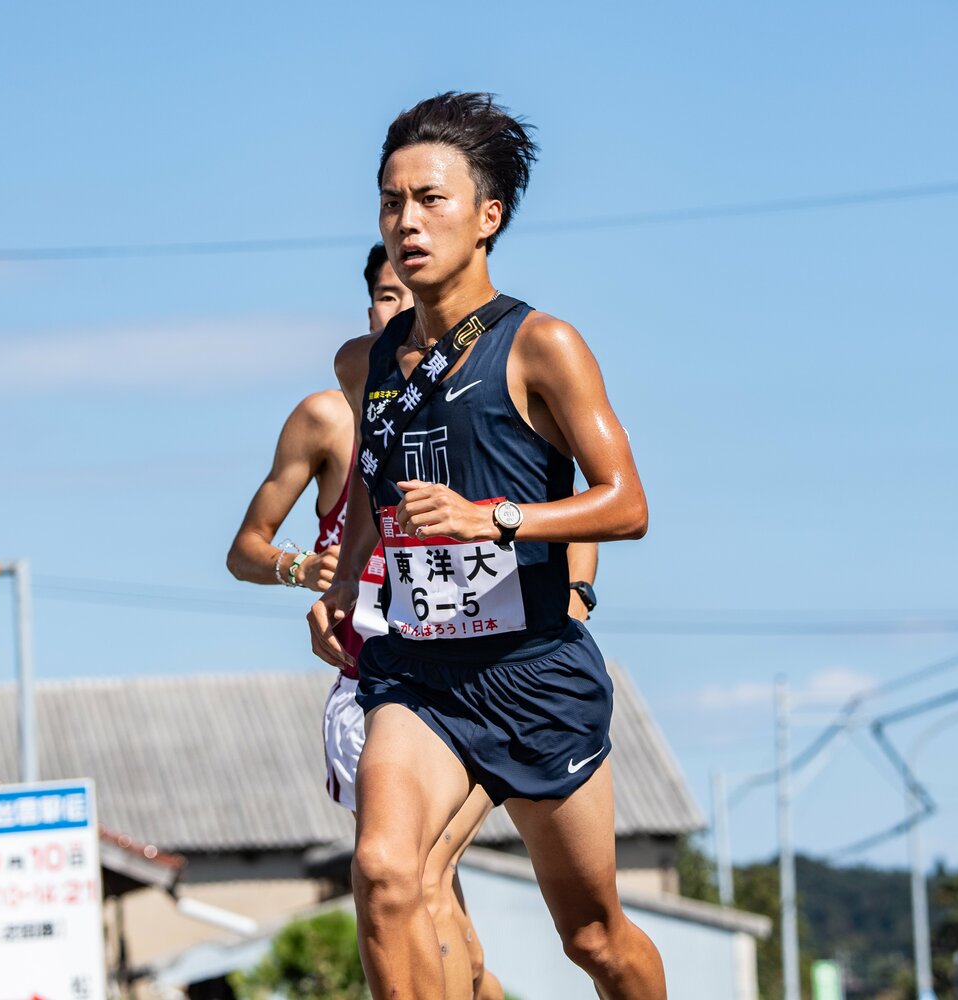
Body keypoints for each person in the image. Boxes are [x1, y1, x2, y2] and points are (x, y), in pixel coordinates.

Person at [307, 93, 664, 999]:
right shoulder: (367, 364)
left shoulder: (541, 344)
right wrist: (345, 586)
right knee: (387, 877)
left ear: (488, 215)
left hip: (535, 671)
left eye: (431, 199)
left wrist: (496, 518)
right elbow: (368, 499)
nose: (407, 222)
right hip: (418, 672)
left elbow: (626, 506)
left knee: (593, 938)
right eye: (392, 202)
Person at [231, 244, 598, 997]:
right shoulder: (341, 406)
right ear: (368, 307)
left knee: (587, 936)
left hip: (519, 668)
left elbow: (580, 497)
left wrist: (574, 596)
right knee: (407, 884)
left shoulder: (506, 370)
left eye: (411, 297)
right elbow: (249, 547)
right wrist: (312, 573)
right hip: (393, 675)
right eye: (385, 298)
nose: (400, 312)